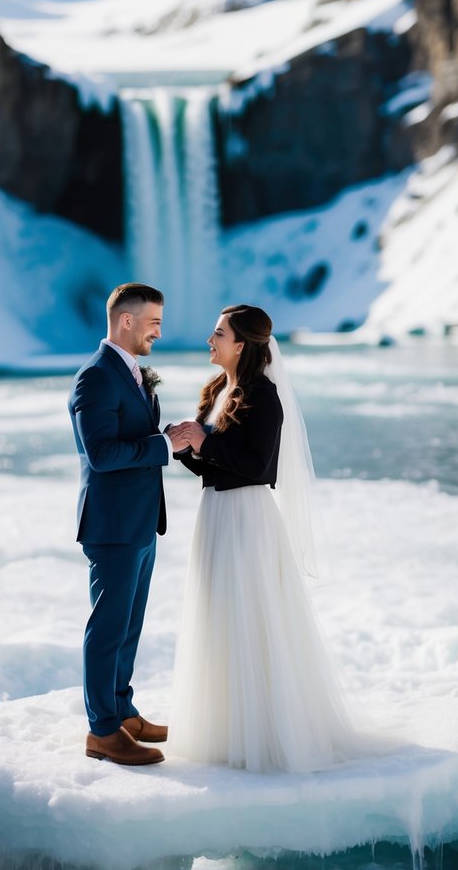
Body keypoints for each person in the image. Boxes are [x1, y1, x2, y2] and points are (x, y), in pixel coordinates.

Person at [169, 304, 378, 773]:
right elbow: (216, 463)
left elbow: (257, 466)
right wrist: (186, 446)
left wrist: (205, 442)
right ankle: (225, 729)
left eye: (218, 333)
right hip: (217, 515)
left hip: (247, 518)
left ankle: (264, 734)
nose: (210, 340)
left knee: (251, 617)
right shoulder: (220, 390)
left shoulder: (264, 395)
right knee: (220, 614)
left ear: (241, 345)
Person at [69, 283, 188, 766]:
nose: (159, 332)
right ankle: (101, 731)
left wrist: (168, 437)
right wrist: (164, 447)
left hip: (139, 522)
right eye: (154, 323)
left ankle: (122, 711)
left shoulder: (130, 372)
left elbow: (131, 435)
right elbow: (101, 455)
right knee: (107, 626)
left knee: (129, 625)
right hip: (113, 525)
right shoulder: (95, 378)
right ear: (126, 322)